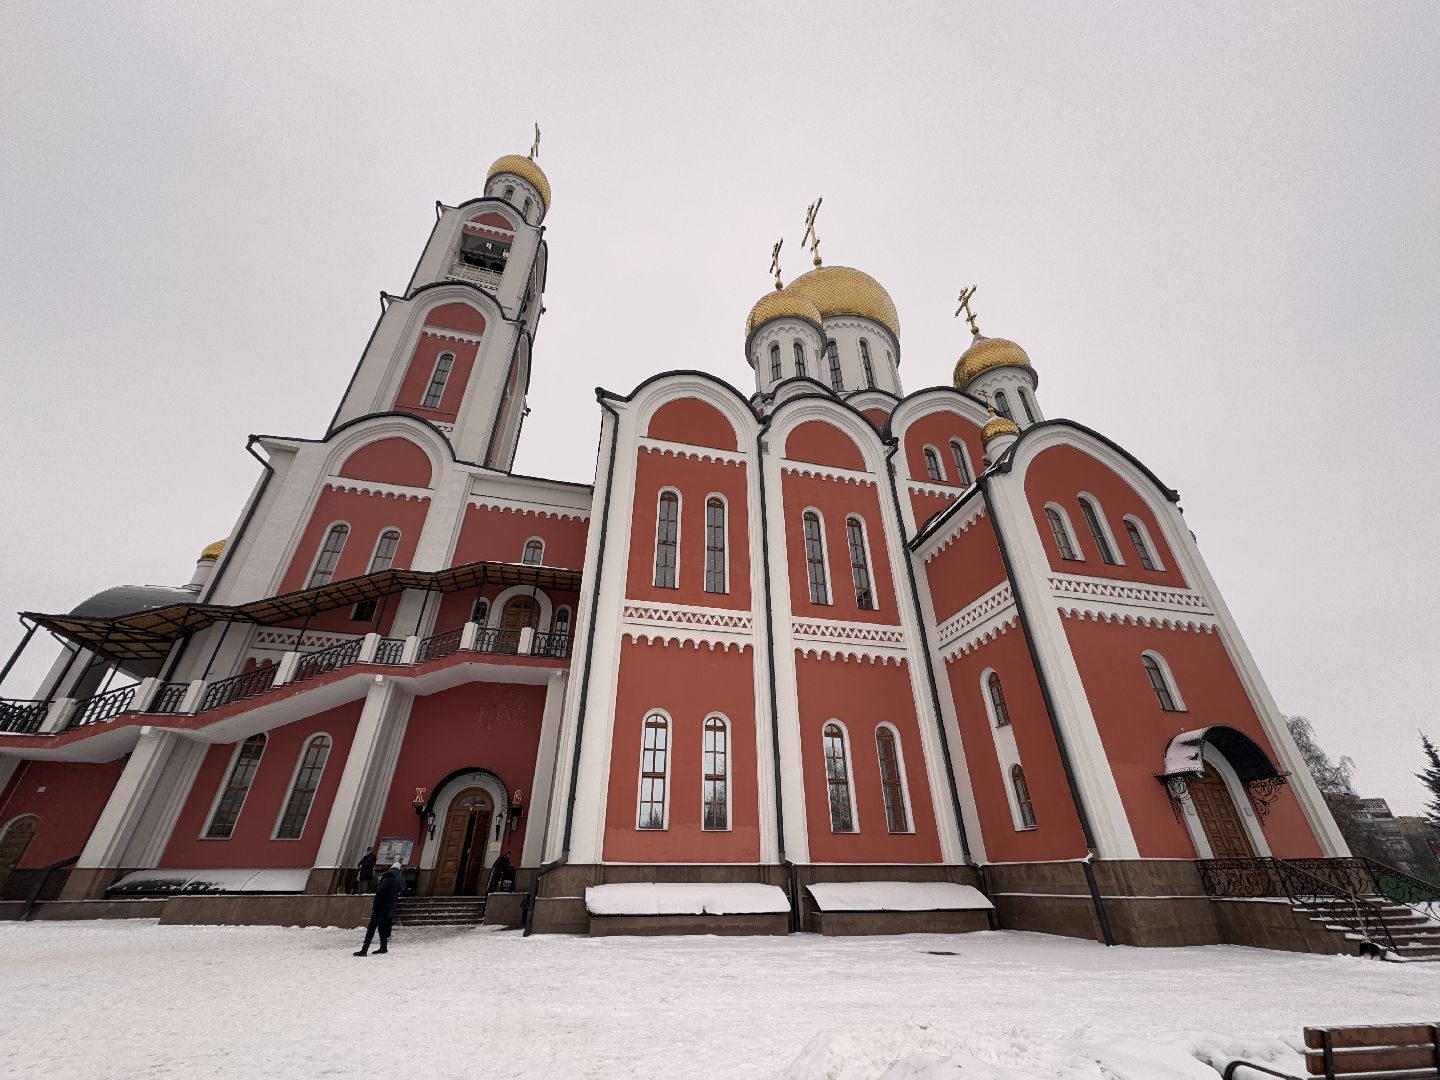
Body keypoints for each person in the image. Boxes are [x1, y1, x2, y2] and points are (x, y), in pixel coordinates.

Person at [354, 862, 404, 956]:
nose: (378, 878)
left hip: (380, 908)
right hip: (388, 908)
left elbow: (379, 895)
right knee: (382, 928)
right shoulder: (394, 881)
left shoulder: (385, 881)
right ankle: (383, 947)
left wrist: (375, 905)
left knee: (371, 928)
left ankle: (364, 949)